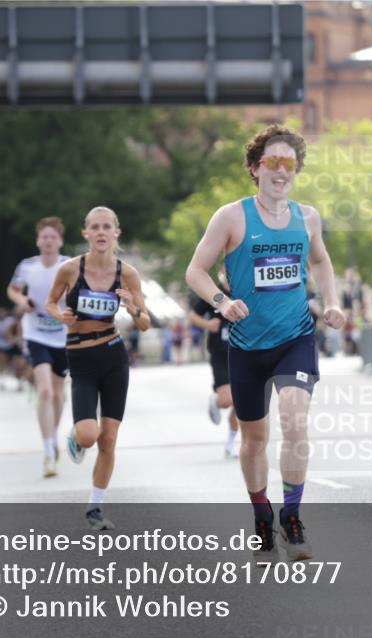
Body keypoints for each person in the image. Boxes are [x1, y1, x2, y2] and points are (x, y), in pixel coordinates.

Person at [185, 124, 346, 564]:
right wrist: (221, 300)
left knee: (295, 421)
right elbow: (195, 272)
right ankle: (262, 516)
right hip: (247, 345)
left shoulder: (307, 217)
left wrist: (331, 302)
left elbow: (320, 259)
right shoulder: (232, 217)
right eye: (272, 162)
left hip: (295, 337)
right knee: (254, 440)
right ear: (256, 169)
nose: (281, 170)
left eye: (288, 163)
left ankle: (292, 519)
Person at [46, 206, 150, 530]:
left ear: (116, 233)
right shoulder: (69, 270)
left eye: (107, 227)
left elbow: (145, 323)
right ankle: (77, 435)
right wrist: (59, 315)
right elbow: (50, 302)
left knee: (109, 438)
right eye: (95, 227)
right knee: (90, 435)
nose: (101, 232)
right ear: (86, 234)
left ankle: (95, 507)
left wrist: (132, 307)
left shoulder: (127, 274)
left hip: (113, 356)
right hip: (81, 359)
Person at [7, 217, 71, 478]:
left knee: (58, 393)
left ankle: (53, 436)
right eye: (44, 236)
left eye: (52, 237)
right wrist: (22, 300)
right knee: (44, 391)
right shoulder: (27, 266)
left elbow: (81, 290)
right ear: (38, 241)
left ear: (60, 241)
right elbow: (12, 290)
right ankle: (47, 452)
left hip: (63, 335)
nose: (48, 241)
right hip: (36, 334)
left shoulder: (68, 265)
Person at [188, 266, 240, 459]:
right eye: (228, 269)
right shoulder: (214, 293)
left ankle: (231, 443)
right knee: (228, 401)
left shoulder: (244, 289)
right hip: (220, 353)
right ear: (221, 271)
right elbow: (193, 316)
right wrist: (208, 324)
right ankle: (216, 401)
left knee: (241, 404)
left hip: (243, 353)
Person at [0, 307, 19, 391]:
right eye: (0, 312)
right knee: (2, 363)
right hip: (1, 345)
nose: (1, 314)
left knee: (15, 363)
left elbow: (16, 329)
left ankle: (18, 381)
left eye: (3, 312)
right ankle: (2, 381)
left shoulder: (10, 320)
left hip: (11, 344)